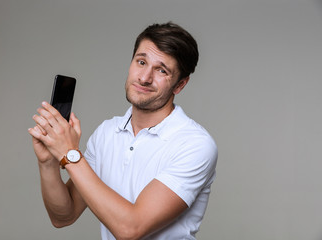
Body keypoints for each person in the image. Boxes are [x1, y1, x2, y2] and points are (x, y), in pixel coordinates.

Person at [28, 22, 218, 240]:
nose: (144, 78)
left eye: (161, 70)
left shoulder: (195, 144)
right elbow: (63, 216)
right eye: (141, 62)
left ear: (180, 85)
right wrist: (49, 162)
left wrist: (70, 155)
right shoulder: (107, 132)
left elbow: (131, 229)